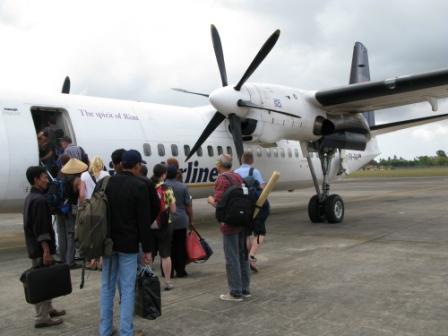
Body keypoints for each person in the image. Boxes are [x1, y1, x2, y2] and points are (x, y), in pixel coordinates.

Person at [99, 149, 153, 336]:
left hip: (107, 244)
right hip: (129, 245)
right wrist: (147, 249)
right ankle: (126, 331)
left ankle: (105, 330)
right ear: (137, 165)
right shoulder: (139, 186)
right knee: (128, 288)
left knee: (107, 287)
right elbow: (144, 221)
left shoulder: (104, 183)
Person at [23, 166, 66, 328]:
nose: (47, 180)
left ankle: (49, 309)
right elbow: (40, 229)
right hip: (40, 249)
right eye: (44, 177)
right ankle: (41, 317)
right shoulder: (39, 201)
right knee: (40, 281)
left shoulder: (31, 197)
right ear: (36, 180)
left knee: (46, 279)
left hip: (35, 247)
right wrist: (46, 251)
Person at [207, 154, 250, 302]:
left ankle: (235, 292)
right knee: (242, 256)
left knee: (232, 257)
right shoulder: (237, 176)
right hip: (241, 220)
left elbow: (219, 204)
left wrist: (210, 200)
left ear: (219, 165)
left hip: (229, 224)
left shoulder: (221, 179)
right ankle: (245, 289)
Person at [235, 151, 270, 273]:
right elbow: (262, 187)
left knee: (247, 232)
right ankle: (252, 256)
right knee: (260, 232)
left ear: (241, 160)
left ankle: (246, 258)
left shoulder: (235, 173)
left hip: (242, 206)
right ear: (252, 161)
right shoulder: (254, 171)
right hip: (256, 205)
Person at [79, 156, 110, 270]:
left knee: (90, 234)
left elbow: (82, 194)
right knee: (102, 233)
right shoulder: (106, 174)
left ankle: (92, 261)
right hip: (102, 207)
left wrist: (83, 206)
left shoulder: (84, 175)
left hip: (89, 208)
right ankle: (101, 260)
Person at [149, 163, 176, 290]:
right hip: (165, 224)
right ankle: (167, 282)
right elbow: (173, 209)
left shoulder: (147, 186)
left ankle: (148, 280)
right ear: (163, 175)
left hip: (150, 224)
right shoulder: (167, 188)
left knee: (149, 254)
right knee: (165, 255)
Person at [57, 158, 88, 269]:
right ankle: (70, 262)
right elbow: (81, 196)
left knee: (61, 234)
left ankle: (63, 258)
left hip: (60, 209)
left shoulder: (61, 176)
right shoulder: (77, 180)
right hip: (71, 209)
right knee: (71, 234)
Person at [165, 165, 193, 278]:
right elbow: (188, 205)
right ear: (177, 174)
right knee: (180, 245)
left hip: (167, 220)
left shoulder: (162, 186)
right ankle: (181, 270)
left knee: (168, 246)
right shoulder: (183, 187)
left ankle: (168, 271)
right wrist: (191, 219)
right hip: (181, 220)